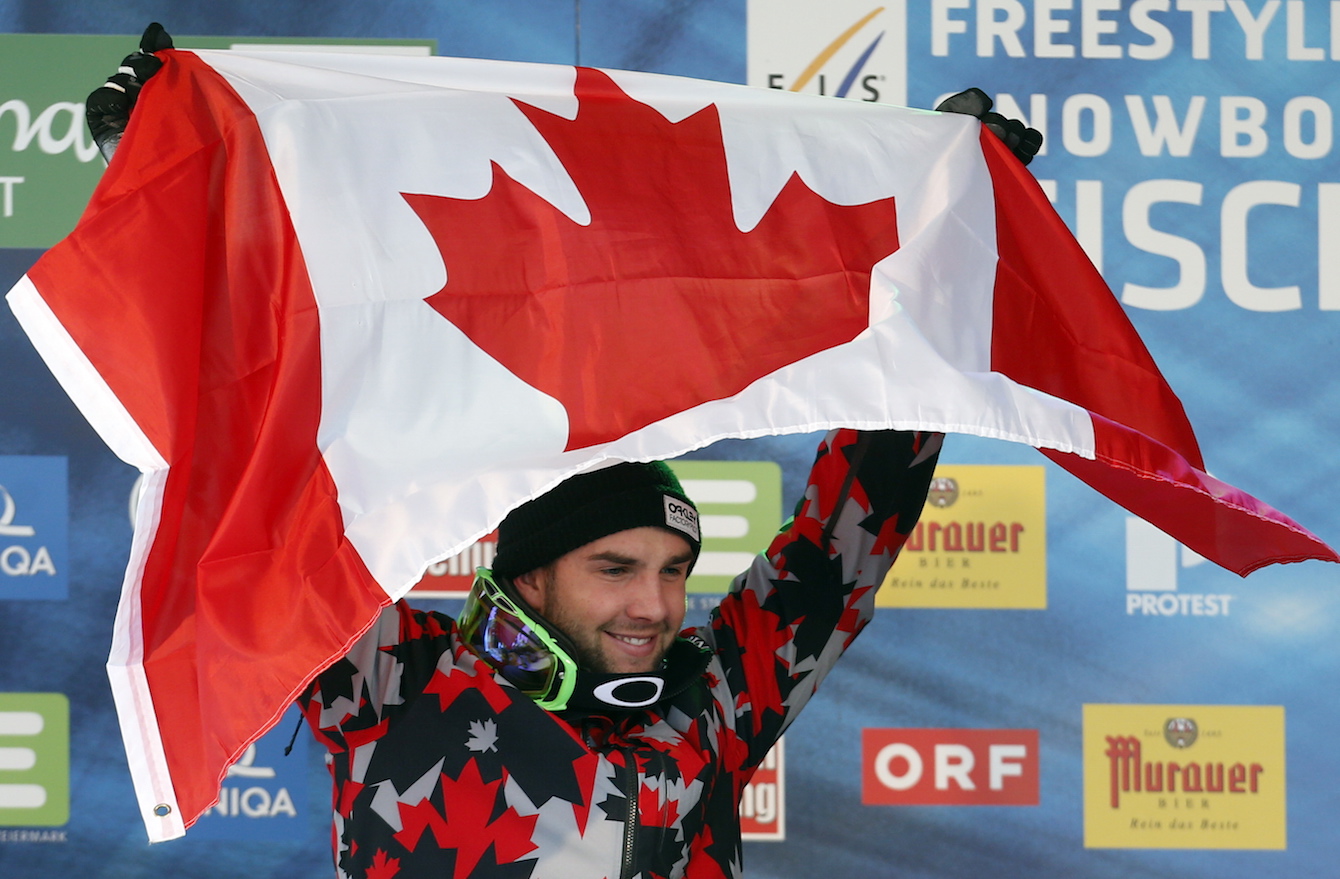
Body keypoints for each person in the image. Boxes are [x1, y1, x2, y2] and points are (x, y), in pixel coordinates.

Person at [88, 24, 1040, 879]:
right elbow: (244, 460)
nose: (654, 604)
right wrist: (162, 192)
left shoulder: (715, 696)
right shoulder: (396, 678)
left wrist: (943, 241)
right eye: (616, 568)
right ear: (531, 575)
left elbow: (848, 536)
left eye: (673, 569)